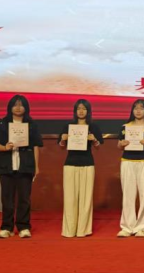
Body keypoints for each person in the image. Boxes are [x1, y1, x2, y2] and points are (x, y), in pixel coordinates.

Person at [0, 94, 43, 238]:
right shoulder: (2, 123)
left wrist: (36, 166)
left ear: (26, 107)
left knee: (24, 198)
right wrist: (5, 147)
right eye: (15, 105)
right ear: (10, 107)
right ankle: (6, 227)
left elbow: (36, 146)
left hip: (25, 165)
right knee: (7, 198)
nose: (18, 108)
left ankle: (23, 227)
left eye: (21, 105)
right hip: (7, 165)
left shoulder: (31, 124)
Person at [58, 99, 104, 238]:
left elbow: (98, 146)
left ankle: (83, 230)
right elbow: (61, 146)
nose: (81, 111)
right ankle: (69, 230)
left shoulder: (93, 126)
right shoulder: (68, 126)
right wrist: (63, 139)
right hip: (70, 163)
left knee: (86, 198)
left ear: (88, 111)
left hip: (87, 163)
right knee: (70, 198)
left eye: (84, 108)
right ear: (75, 111)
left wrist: (94, 140)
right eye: (79, 108)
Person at [117, 98, 144, 238]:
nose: (138, 111)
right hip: (128, 161)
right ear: (132, 110)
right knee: (127, 195)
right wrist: (122, 144)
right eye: (136, 108)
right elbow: (119, 145)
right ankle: (127, 227)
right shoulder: (125, 127)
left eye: (141, 108)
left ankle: (143, 226)